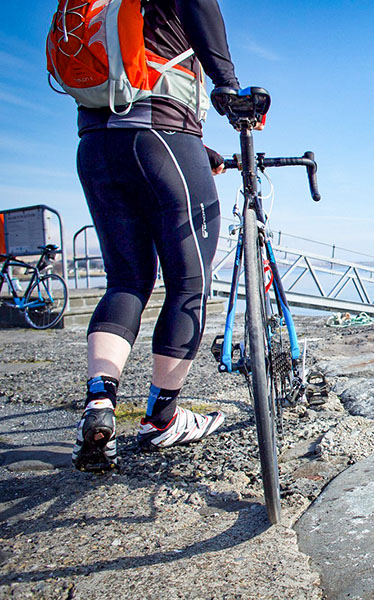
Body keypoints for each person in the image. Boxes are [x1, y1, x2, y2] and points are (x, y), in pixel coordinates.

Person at [72, 0, 241, 472]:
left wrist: (197, 149)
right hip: (164, 138)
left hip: (97, 146)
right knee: (189, 284)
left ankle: (99, 404)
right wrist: (228, 87)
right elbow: (200, 9)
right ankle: (161, 420)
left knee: (126, 281)